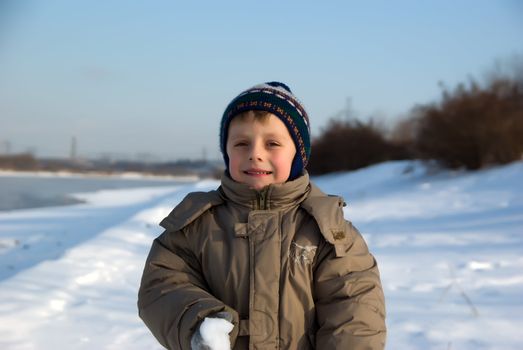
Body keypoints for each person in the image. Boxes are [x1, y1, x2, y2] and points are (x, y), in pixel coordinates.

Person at [138, 82, 386, 349]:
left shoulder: (328, 230)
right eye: (242, 143)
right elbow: (161, 285)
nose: (255, 154)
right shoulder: (197, 225)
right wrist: (201, 324)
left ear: (297, 155)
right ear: (226, 152)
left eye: (272, 144)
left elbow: (355, 309)